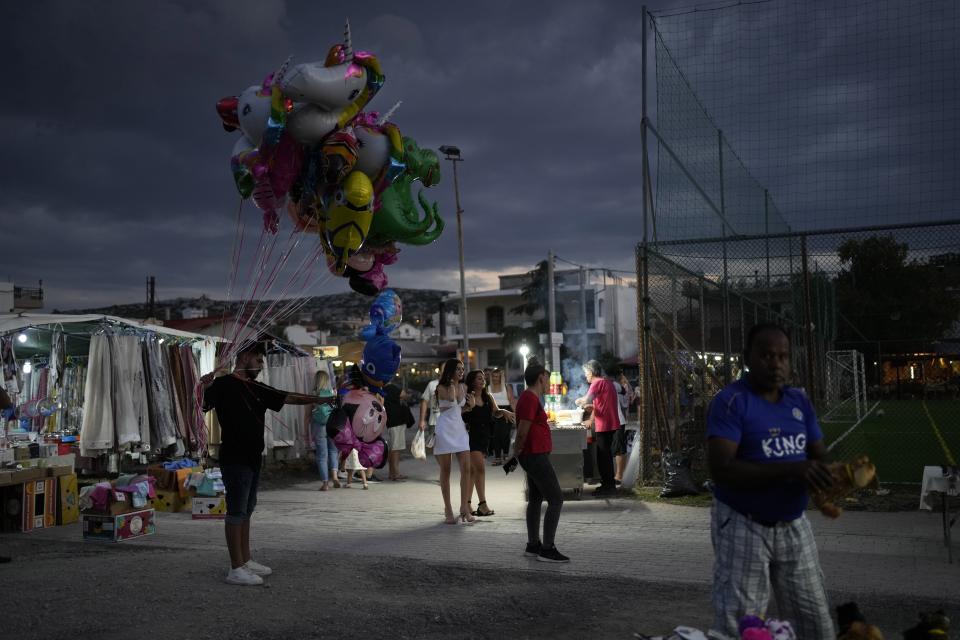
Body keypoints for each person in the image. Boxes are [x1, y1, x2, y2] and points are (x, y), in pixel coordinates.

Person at [706, 323, 835, 639]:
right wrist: (793, 470)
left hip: (793, 524)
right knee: (743, 626)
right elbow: (721, 468)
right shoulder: (731, 401)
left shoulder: (798, 402)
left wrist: (829, 475)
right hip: (743, 524)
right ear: (746, 357)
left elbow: (819, 455)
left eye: (783, 356)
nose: (776, 363)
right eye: (766, 355)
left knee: (816, 623)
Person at [201, 342, 331, 586]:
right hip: (235, 458)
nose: (261, 366)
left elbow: (288, 397)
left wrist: (321, 399)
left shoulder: (257, 387)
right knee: (237, 511)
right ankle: (235, 567)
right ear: (246, 357)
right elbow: (200, 405)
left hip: (252, 457)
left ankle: (245, 560)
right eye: (259, 361)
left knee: (247, 510)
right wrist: (202, 386)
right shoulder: (222, 385)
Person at [511, 358, 568, 563]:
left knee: (535, 499)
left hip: (534, 454)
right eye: (546, 378)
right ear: (540, 378)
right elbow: (523, 429)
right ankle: (547, 548)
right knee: (556, 499)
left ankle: (533, 545)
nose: (548, 382)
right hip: (534, 455)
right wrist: (516, 452)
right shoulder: (530, 398)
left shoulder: (531, 398)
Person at [462, 369, 514, 517]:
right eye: (479, 378)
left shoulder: (488, 396)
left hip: (485, 438)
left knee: (473, 471)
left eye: (483, 378)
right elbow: (461, 415)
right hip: (470, 436)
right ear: (472, 382)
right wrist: (468, 407)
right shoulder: (468, 397)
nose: (482, 380)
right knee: (480, 469)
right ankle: (482, 505)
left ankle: (467, 503)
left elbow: (495, 412)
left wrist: (504, 412)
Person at [431, 358, 475, 524]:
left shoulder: (463, 387)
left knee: (467, 468)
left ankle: (464, 507)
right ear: (450, 371)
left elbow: (459, 409)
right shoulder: (441, 387)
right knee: (446, 470)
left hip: (459, 429)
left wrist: (469, 407)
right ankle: (448, 508)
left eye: (462, 369)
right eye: (458, 369)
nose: (461, 372)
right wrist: (451, 383)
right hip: (444, 430)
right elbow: (450, 400)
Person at [575, 360, 620, 496]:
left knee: (603, 457)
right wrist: (590, 415)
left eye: (586, 373)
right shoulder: (606, 382)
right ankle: (607, 484)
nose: (585, 376)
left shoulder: (597, 383)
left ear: (592, 372)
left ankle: (608, 487)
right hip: (610, 423)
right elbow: (599, 404)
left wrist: (578, 401)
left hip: (605, 424)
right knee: (604, 456)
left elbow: (588, 399)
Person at [311, 370, 339, 491]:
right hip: (332, 425)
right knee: (333, 451)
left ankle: (325, 483)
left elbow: (307, 415)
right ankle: (335, 477)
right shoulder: (332, 393)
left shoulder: (313, 394)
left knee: (322, 455)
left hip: (319, 426)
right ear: (327, 380)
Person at [383, 382, 414, 481]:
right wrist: (407, 395)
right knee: (396, 448)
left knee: (394, 447)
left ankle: (392, 473)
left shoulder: (383, 389)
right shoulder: (392, 387)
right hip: (397, 421)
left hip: (391, 421)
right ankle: (395, 473)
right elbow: (403, 394)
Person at [487, 367, 516, 465]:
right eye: (494, 376)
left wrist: (516, 414)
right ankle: (498, 457)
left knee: (504, 434)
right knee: (496, 435)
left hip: (507, 411)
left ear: (501, 378)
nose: (496, 378)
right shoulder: (488, 388)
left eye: (498, 377)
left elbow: (511, 400)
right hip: (495, 412)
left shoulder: (506, 387)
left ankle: (506, 453)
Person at [417, 376, 441, 452]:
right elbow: (424, 401)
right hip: (435, 422)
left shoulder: (454, 384)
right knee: (437, 449)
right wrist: (422, 420)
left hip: (450, 423)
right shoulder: (432, 384)